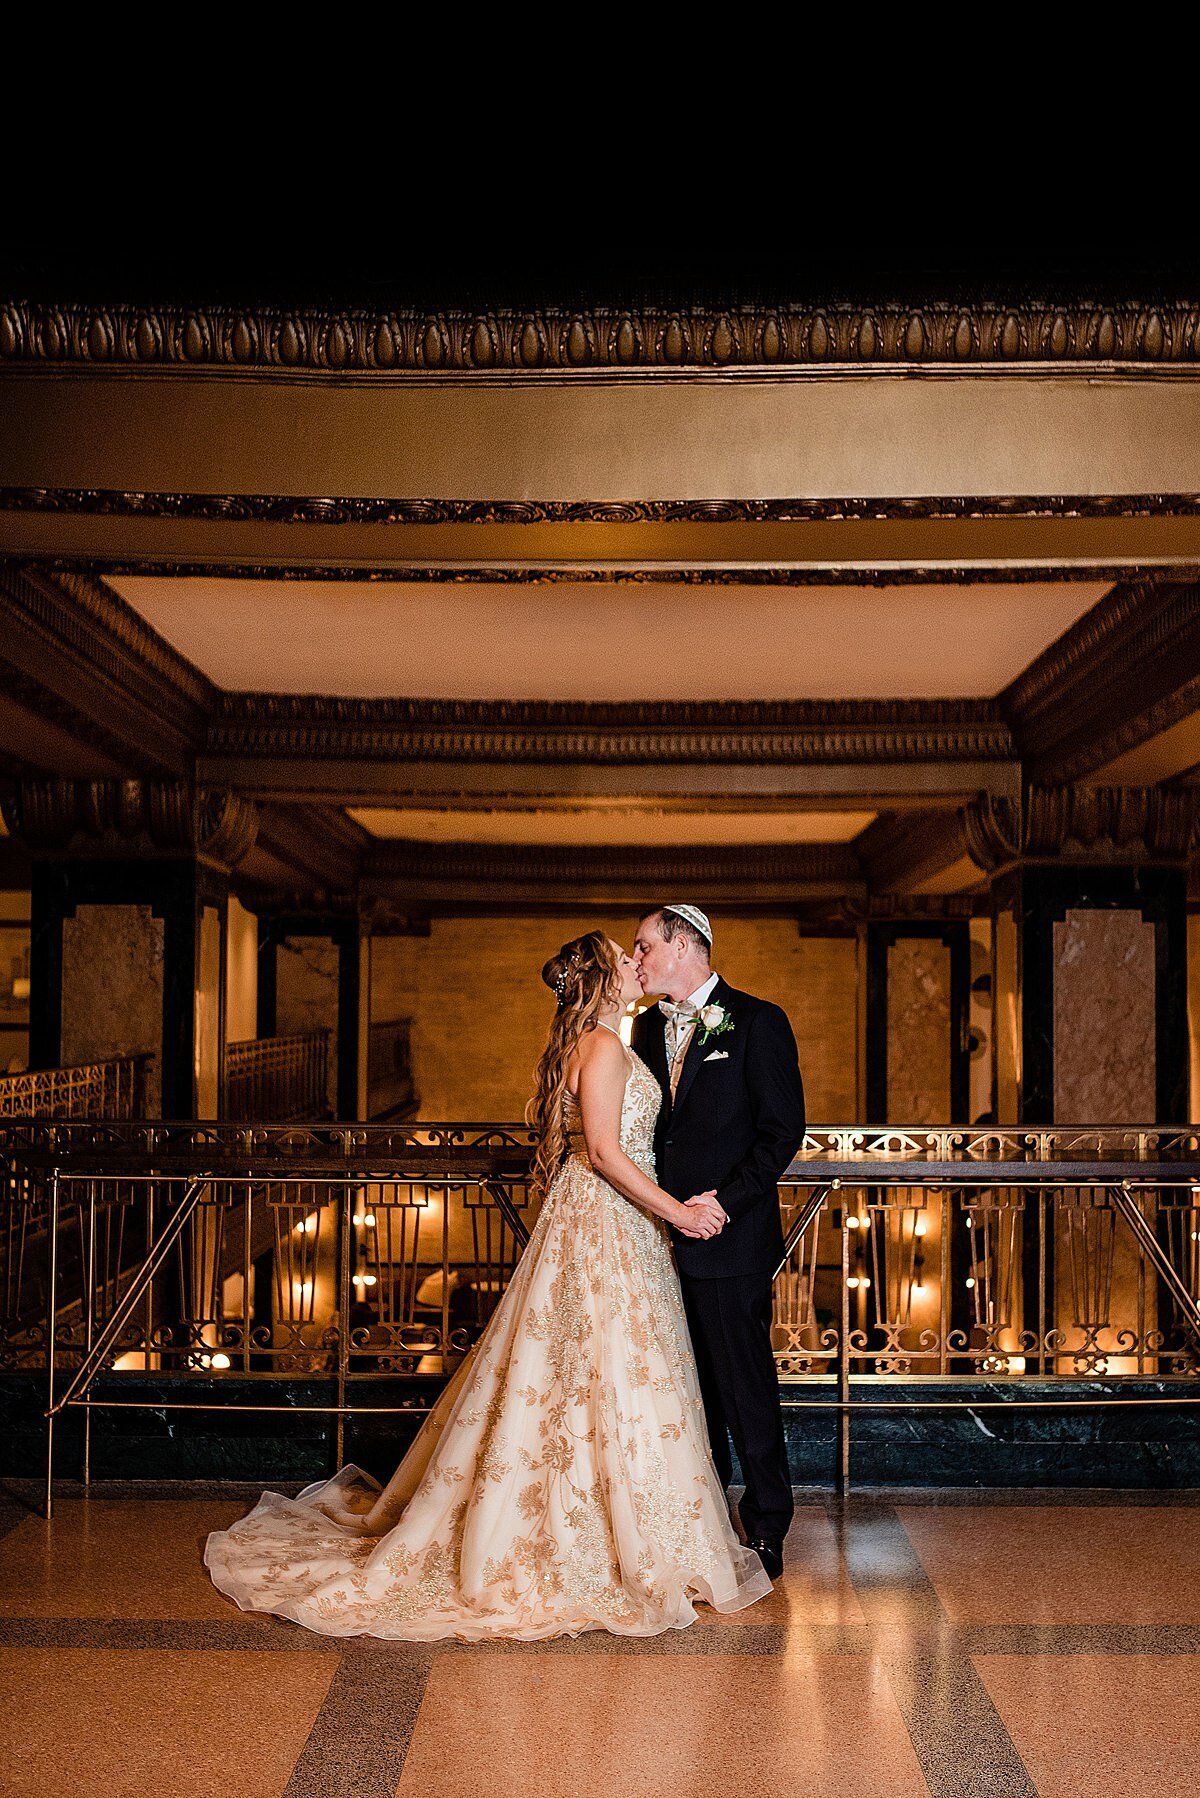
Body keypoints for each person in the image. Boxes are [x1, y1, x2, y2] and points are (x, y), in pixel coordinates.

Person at [204, 930, 771, 1640]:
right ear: (602, 978)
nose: (637, 964)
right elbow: (602, 1152)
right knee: (596, 1369)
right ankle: (594, 1537)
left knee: (604, 1373)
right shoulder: (600, 1048)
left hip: (619, 1227)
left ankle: (630, 1525)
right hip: (606, 1221)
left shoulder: (608, 1042)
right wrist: (677, 1213)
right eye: (626, 959)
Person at [632, 904, 806, 1579]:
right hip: (654, 1239)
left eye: (645, 946)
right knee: (684, 1386)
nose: (638, 959)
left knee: (742, 1386)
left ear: (684, 945)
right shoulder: (645, 1027)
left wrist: (723, 1203)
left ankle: (767, 1524)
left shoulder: (759, 1021)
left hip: (727, 1238)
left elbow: (780, 1133)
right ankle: (700, 1521)